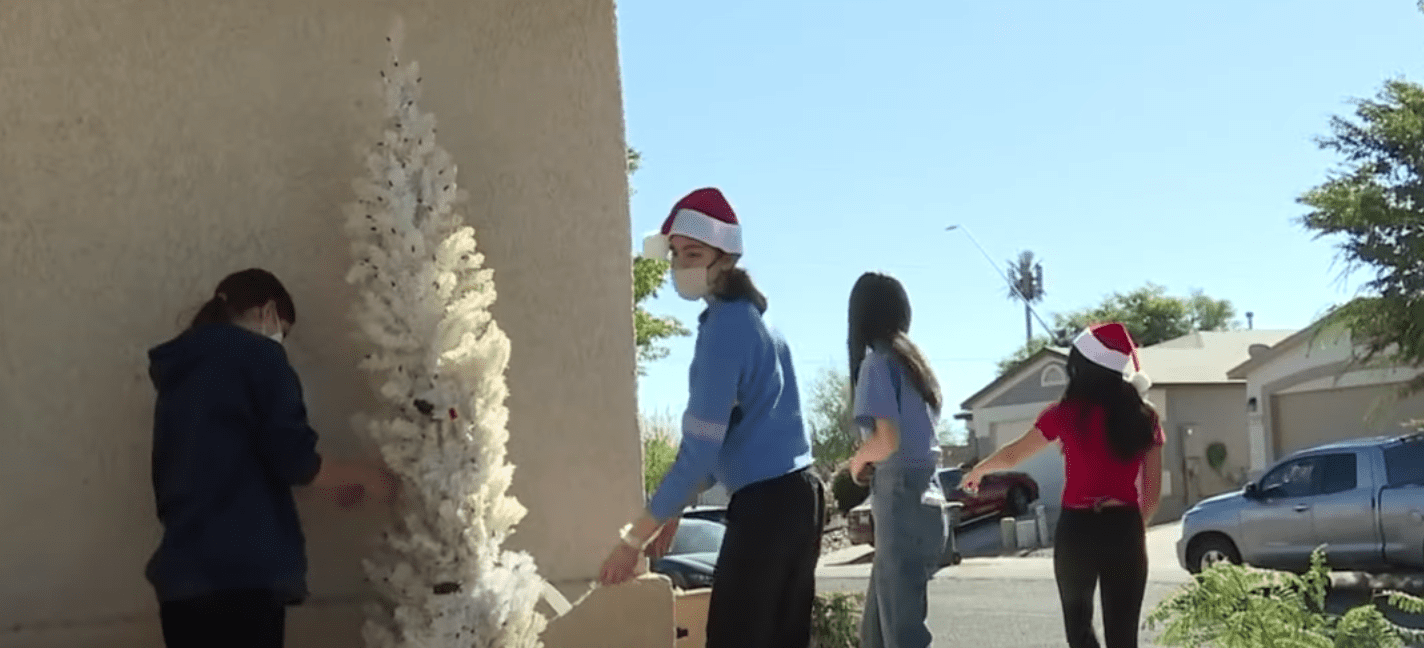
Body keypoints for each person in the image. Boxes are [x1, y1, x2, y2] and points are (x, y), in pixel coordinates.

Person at [598, 188, 824, 648]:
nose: (683, 265)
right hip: (801, 498)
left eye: (694, 253)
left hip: (766, 507)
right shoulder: (759, 321)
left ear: (726, 255)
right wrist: (676, 508)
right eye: (677, 255)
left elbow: (699, 451)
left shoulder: (723, 329)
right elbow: (730, 434)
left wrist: (632, 542)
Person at [145, 268, 398, 648]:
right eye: (284, 330)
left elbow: (229, 467)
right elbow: (294, 458)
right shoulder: (260, 357)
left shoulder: (179, 374)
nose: (281, 341)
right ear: (267, 312)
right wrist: (369, 477)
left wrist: (327, 485)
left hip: (183, 582)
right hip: (243, 579)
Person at [962, 322, 1164, 648]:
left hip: (1077, 529)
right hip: (1124, 526)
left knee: (1079, 630)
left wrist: (979, 471)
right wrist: (1129, 528)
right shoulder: (1144, 415)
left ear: (1082, 366)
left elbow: (1014, 455)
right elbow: (1152, 493)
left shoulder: (1066, 413)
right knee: (1124, 636)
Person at [844, 272, 947, 648]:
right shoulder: (915, 366)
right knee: (875, 634)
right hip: (929, 499)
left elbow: (886, 440)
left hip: (900, 498)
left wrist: (856, 463)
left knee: (901, 636)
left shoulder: (876, 364)